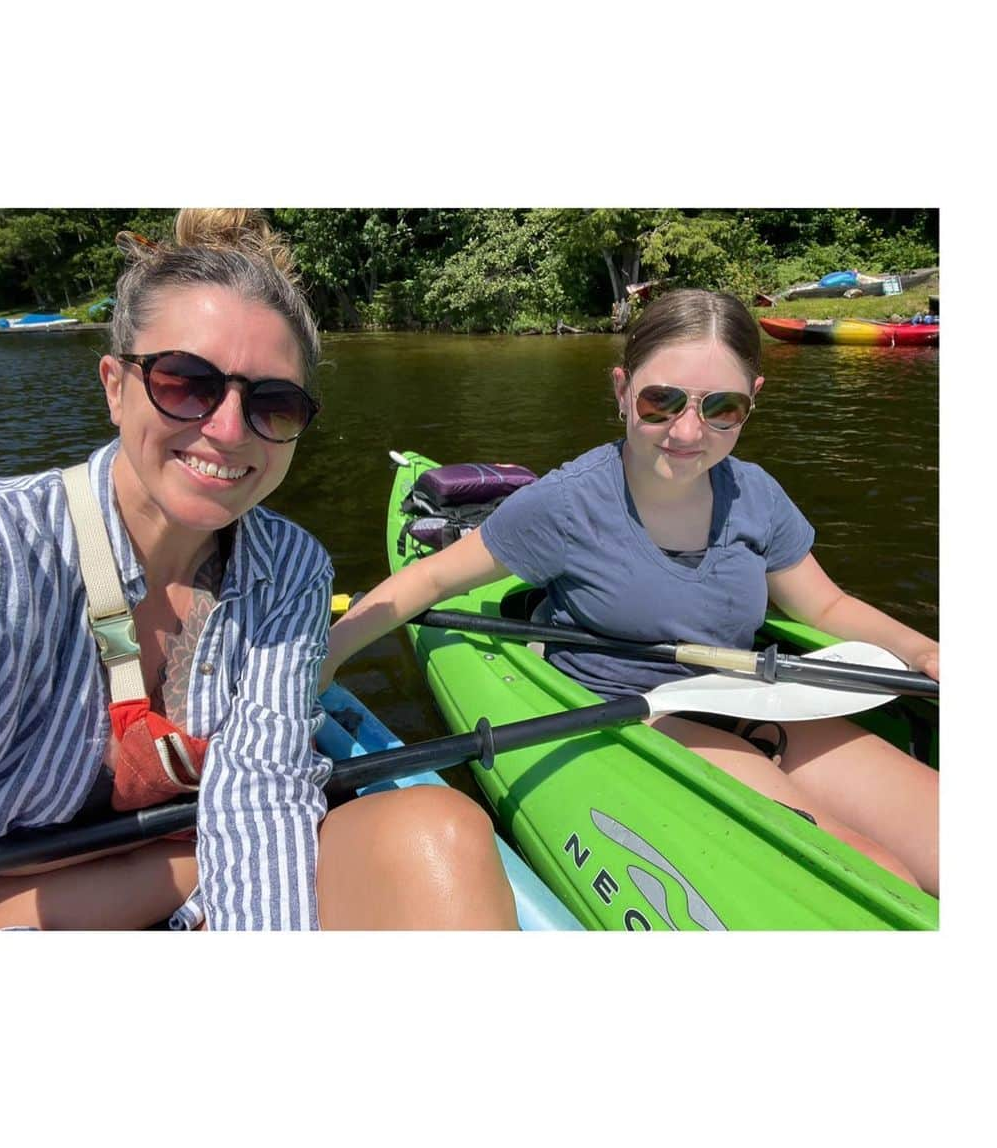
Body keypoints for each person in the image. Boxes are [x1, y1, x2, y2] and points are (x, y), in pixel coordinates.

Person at [0, 208, 518, 931]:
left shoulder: (290, 568)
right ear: (114, 384)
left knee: (440, 829)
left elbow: (261, 799)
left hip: (196, 893)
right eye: (184, 382)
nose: (229, 430)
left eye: (274, 402)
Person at [324, 288, 939, 897]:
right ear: (622, 391)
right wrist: (325, 655)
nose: (687, 430)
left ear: (751, 402)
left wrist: (924, 652)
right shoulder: (566, 504)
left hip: (751, 694)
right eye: (661, 401)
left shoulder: (757, 495)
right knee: (878, 871)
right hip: (638, 714)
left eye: (720, 407)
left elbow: (825, 606)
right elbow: (430, 578)